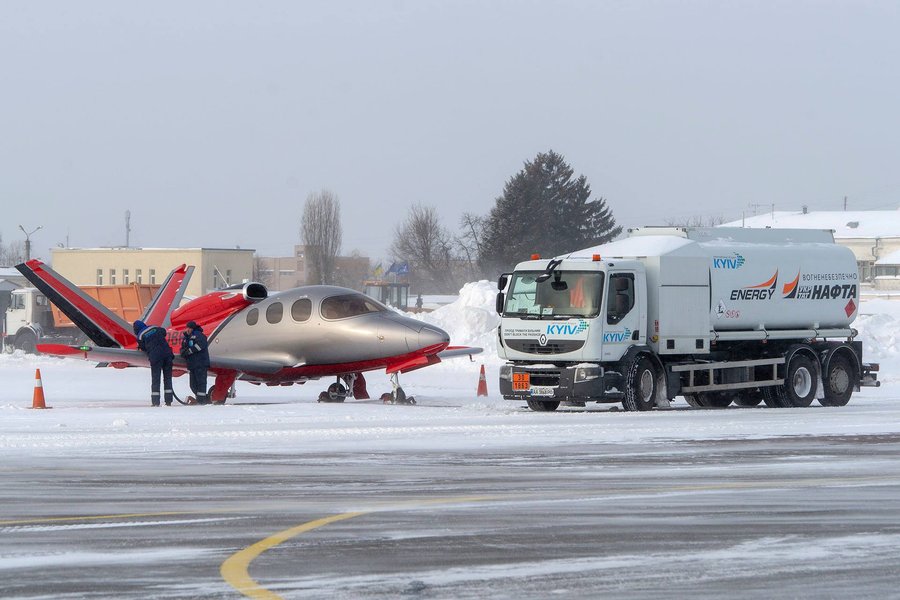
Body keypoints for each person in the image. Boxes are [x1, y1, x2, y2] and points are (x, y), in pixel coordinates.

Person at [133, 319, 174, 407]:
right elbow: (164, 332)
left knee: (156, 379)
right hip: (167, 355)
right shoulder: (154, 327)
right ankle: (168, 401)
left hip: (156, 357)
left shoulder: (140, 336)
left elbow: (143, 348)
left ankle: (155, 402)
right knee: (168, 378)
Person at [180, 320, 211, 405]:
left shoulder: (199, 335)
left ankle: (201, 401)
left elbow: (200, 345)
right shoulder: (186, 337)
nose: (188, 329)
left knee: (201, 383)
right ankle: (200, 399)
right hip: (192, 364)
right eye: (187, 328)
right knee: (193, 384)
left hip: (200, 363)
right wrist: (183, 352)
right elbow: (183, 347)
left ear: (192, 328)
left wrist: (189, 351)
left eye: (189, 328)